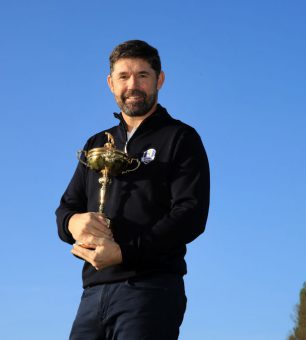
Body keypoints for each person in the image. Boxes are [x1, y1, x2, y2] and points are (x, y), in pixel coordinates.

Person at [56, 39, 210, 340]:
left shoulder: (181, 138)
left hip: (151, 289)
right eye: (124, 77)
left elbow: (190, 215)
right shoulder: (96, 144)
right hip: (92, 294)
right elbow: (66, 207)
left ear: (159, 80)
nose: (133, 85)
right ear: (111, 83)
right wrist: (73, 223)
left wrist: (125, 253)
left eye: (143, 75)